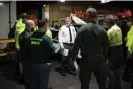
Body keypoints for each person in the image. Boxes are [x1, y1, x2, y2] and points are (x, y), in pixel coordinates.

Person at [67, 7, 109, 89]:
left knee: (85, 83)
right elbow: (106, 46)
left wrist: (72, 58)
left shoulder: (82, 29)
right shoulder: (103, 30)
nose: (85, 16)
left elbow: (76, 46)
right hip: (100, 59)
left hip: (86, 60)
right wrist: (104, 58)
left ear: (88, 15)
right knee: (102, 83)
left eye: (86, 15)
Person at [24, 19, 54, 89]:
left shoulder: (29, 38)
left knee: (33, 83)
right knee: (42, 84)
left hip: (31, 64)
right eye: (47, 26)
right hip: (44, 65)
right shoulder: (47, 39)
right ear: (45, 26)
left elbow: (26, 50)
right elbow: (52, 52)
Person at [105, 14, 123, 89]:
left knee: (110, 73)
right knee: (118, 72)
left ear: (108, 22)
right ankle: (118, 86)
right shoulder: (118, 28)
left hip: (112, 53)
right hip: (119, 52)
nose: (105, 24)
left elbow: (106, 43)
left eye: (106, 22)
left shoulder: (110, 31)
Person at [14, 13, 27, 81]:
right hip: (22, 48)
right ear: (23, 19)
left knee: (18, 61)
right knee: (22, 63)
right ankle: (21, 78)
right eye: (25, 18)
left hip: (17, 46)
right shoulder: (23, 28)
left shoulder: (16, 26)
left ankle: (17, 74)